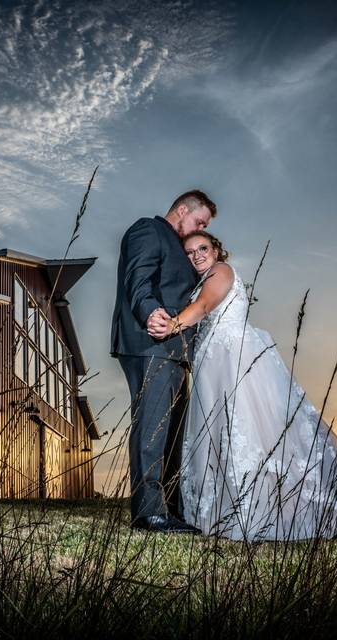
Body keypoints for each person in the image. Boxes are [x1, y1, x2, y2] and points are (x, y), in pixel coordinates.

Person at [149, 231, 337, 541]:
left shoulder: (221, 271)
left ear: (216, 250)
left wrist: (172, 324)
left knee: (248, 432)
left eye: (203, 248)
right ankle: (231, 509)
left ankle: (258, 509)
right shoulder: (204, 277)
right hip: (214, 364)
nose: (197, 255)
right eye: (190, 251)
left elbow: (206, 305)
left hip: (233, 361)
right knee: (222, 433)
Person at [110, 190, 217, 534]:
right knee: (153, 426)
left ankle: (169, 508)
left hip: (174, 350)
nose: (200, 229)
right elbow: (137, 278)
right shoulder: (148, 230)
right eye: (199, 221)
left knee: (172, 432)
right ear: (182, 210)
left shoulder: (181, 249)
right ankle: (148, 513)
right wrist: (149, 312)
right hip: (150, 342)